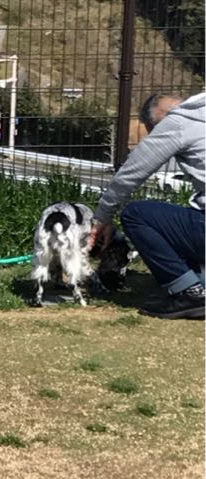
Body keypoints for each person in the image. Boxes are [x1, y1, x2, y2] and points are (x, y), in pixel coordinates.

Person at [90, 92, 205, 319]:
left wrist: (102, 217)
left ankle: (190, 293)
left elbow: (130, 175)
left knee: (136, 214)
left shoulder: (178, 122)